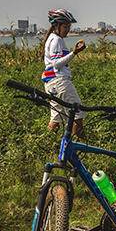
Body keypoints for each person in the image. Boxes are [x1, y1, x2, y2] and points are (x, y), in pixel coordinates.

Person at [42, 9, 86, 138]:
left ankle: (48, 146)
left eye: (69, 27)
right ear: (57, 26)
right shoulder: (57, 40)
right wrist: (74, 53)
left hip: (51, 83)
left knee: (56, 117)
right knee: (77, 112)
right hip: (60, 82)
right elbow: (56, 64)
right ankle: (81, 146)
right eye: (65, 27)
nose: (68, 30)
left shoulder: (51, 39)